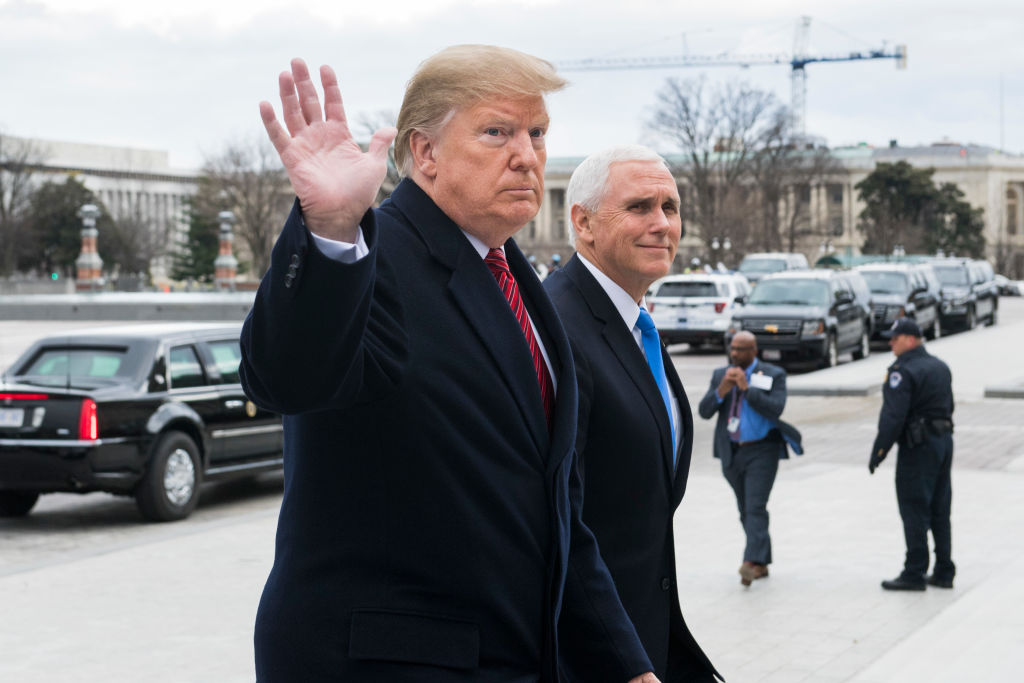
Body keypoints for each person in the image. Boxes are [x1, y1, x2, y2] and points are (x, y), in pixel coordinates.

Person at [240, 47, 658, 682]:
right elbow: (289, 378)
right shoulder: (372, 258)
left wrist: (627, 667)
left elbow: (556, 516)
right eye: (497, 131)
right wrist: (328, 230)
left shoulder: (519, 281)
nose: (527, 154)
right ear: (426, 153)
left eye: (537, 133)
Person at [544, 145, 720, 682]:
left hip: (650, 632)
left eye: (670, 206)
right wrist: (625, 662)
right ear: (584, 223)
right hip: (592, 655)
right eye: (640, 207)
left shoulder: (632, 319)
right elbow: (559, 522)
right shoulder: (559, 327)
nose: (662, 224)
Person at [697, 331, 802, 586]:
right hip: (731, 451)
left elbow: (775, 408)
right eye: (732, 348)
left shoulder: (773, 375)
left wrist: (747, 389)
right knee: (745, 508)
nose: (734, 354)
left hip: (762, 450)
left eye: (740, 349)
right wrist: (722, 390)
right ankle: (761, 561)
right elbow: (704, 411)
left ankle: (749, 562)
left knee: (755, 506)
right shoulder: (721, 375)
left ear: (754, 351)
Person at [869, 317, 956, 591]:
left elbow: (893, 417)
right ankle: (944, 569)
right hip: (943, 442)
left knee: (914, 507)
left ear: (910, 339)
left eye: (895, 339)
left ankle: (915, 571)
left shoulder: (901, 371)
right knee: (940, 507)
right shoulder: (940, 366)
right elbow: (948, 405)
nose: (891, 343)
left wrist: (879, 451)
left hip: (917, 447)